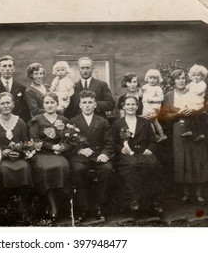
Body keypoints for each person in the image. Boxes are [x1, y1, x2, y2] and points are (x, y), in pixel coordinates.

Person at [158, 69, 208, 206]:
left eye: (183, 78)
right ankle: (185, 194)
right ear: (173, 81)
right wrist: (178, 114)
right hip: (178, 130)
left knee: (198, 159)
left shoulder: (193, 90)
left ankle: (199, 194)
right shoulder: (169, 96)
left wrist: (194, 111)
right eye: (177, 78)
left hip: (195, 129)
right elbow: (164, 116)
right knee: (182, 161)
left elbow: (205, 108)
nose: (181, 81)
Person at [112, 96, 164, 214]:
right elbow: (113, 142)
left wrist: (150, 149)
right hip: (127, 155)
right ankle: (134, 199)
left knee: (154, 165)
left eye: (133, 104)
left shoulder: (144, 122)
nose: (131, 107)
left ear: (137, 106)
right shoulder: (117, 123)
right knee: (132, 166)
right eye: (128, 104)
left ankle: (155, 201)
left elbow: (153, 139)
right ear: (123, 107)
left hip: (144, 153)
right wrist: (120, 149)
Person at [69, 90, 114, 222]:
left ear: (95, 105)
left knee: (106, 169)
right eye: (84, 102)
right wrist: (80, 150)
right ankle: (83, 208)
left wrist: (105, 154)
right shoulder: (73, 121)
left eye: (90, 103)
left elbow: (109, 142)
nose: (87, 105)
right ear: (80, 105)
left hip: (98, 155)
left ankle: (101, 207)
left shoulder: (103, 121)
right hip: (80, 157)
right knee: (78, 170)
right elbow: (68, 142)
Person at [0, 92, 34, 215]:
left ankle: (23, 205)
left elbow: (26, 143)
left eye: (8, 103)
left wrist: (19, 153)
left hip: (19, 158)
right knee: (4, 170)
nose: (6, 106)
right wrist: (2, 152)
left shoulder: (20, 122)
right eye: (2, 103)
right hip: (0, 158)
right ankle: (5, 205)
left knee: (24, 168)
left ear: (13, 104)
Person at [28, 92, 71, 221]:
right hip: (42, 153)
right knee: (47, 169)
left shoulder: (64, 120)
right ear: (43, 105)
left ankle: (55, 204)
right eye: (47, 103)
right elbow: (34, 140)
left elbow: (69, 137)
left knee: (62, 166)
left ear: (57, 104)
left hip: (59, 154)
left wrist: (62, 147)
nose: (50, 105)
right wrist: (52, 147)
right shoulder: (37, 119)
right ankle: (52, 206)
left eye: (52, 102)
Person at [0, 55, 31, 123]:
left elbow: (26, 112)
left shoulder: (21, 88)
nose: (7, 69)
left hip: (17, 125)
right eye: (4, 66)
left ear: (14, 69)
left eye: (10, 66)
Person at [179, 64, 208, 141]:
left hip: (197, 103)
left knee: (192, 115)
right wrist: (186, 88)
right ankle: (193, 131)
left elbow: (199, 91)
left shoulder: (202, 84)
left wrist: (194, 85)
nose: (196, 77)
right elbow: (187, 88)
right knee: (190, 115)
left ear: (202, 76)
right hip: (191, 102)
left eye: (198, 75)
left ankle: (195, 132)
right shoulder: (192, 83)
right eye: (194, 75)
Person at [139, 69, 168, 142]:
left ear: (158, 79)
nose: (152, 80)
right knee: (155, 122)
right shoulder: (145, 86)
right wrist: (141, 91)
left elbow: (161, 98)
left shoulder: (158, 88)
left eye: (155, 78)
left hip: (154, 107)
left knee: (147, 121)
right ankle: (162, 134)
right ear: (147, 78)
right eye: (150, 78)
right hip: (146, 107)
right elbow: (140, 96)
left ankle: (154, 134)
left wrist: (152, 99)